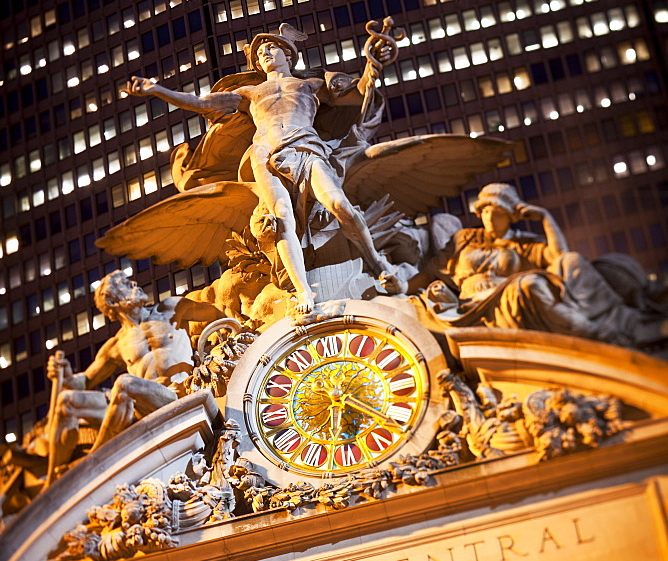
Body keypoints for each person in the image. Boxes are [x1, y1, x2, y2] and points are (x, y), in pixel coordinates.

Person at [124, 24, 400, 313]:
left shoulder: (312, 84)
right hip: (265, 153)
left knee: (338, 203)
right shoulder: (251, 92)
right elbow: (200, 103)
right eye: (259, 52)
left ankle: (378, 264)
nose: (264, 53)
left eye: (271, 48)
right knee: (280, 220)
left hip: (305, 147)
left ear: (288, 54)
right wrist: (157, 90)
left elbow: (358, 91)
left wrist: (372, 64)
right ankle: (302, 290)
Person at [426, 182, 668, 346]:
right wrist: (400, 286)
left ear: (511, 214)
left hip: (510, 298)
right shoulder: (465, 238)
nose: (489, 216)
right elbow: (430, 271)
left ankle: (623, 321)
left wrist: (545, 217)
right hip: (475, 306)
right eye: (485, 211)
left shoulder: (524, 244)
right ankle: (595, 333)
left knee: (571, 260)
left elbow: (559, 257)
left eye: (497, 211)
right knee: (529, 283)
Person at [46, 271, 221, 468]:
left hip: (178, 393)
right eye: (125, 284)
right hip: (142, 408)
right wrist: (65, 373)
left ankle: (97, 457)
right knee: (65, 401)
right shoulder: (116, 345)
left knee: (124, 383)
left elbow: (218, 315)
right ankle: (56, 475)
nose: (135, 284)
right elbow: (84, 381)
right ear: (112, 302)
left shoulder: (171, 308)